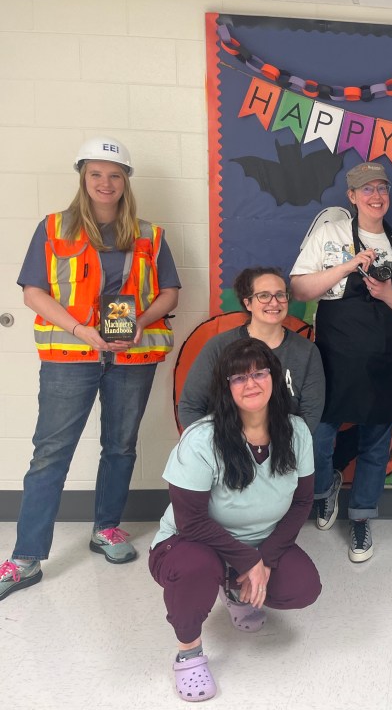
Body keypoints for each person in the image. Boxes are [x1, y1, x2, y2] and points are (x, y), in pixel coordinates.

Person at [1, 136, 180, 602]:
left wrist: (140, 323)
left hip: (131, 357)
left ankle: (106, 529)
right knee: (50, 452)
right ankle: (25, 558)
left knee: (120, 447)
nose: (105, 182)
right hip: (71, 355)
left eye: (114, 175)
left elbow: (169, 293)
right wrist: (81, 330)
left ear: (126, 181)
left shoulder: (150, 234)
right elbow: (34, 292)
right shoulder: (54, 227)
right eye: (96, 174)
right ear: (83, 177)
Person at [150, 338, 320, 703]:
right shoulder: (201, 439)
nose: (251, 383)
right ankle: (188, 653)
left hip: (259, 541)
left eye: (259, 373)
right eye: (239, 377)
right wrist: (249, 561)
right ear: (225, 387)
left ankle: (231, 586)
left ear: (275, 378)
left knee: (303, 586)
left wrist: (265, 558)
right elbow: (191, 521)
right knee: (196, 567)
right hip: (189, 542)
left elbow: (302, 502)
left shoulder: (297, 432)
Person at [290, 162, 392, 563]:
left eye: (382, 188)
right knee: (319, 437)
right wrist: (347, 266)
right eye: (367, 189)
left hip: (389, 362)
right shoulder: (329, 235)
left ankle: (362, 516)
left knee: (376, 444)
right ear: (352, 196)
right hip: (335, 359)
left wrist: (387, 293)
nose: (376, 196)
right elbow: (300, 289)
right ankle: (325, 489)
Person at [177, 266, 325, 435]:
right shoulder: (218, 346)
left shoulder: (306, 351)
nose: (274, 302)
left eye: (280, 295)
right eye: (264, 296)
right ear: (247, 303)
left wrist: (281, 446)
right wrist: (212, 445)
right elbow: (191, 407)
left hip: (285, 445)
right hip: (224, 445)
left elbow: (311, 413)